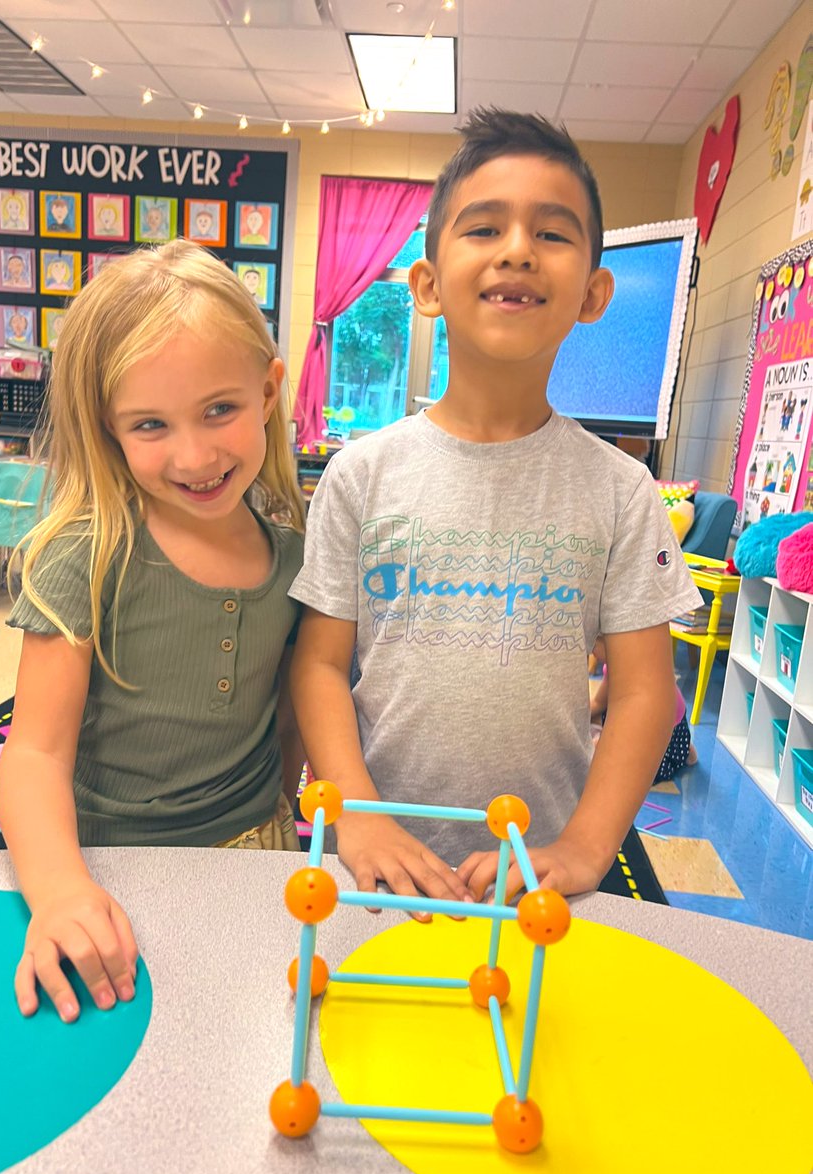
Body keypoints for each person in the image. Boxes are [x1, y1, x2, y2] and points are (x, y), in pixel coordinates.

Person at [288, 108, 702, 914]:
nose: (517, 248)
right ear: (428, 284)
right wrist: (358, 819)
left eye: (552, 234)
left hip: (538, 875)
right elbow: (319, 665)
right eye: (484, 228)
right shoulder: (362, 473)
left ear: (592, 292)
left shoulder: (622, 490)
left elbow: (646, 693)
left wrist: (585, 845)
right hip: (374, 865)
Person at [0, 239, 306, 1023]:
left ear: (268, 393)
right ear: (108, 428)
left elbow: (291, 715)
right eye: (150, 425)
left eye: (220, 410)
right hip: (103, 859)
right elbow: (32, 754)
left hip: (253, 853)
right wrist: (62, 889)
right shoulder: (86, 557)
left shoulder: (294, 554)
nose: (195, 455)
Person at [589, 638, 697, 780]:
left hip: (662, 732)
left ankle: (681, 751)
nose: (591, 650)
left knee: (624, 772)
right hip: (662, 725)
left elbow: (637, 726)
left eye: (595, 644)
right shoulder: (621, 663)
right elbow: (599, 703)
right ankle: (683, 747)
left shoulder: (633, 672)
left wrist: (602, 744)